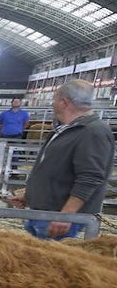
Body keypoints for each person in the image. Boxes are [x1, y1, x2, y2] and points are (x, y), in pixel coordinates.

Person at [9, 78, 115, 240]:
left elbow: (90, 177)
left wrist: (67, 215)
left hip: (59, 218)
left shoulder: (92, 131)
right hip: (45, 213)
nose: (52, 104)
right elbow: (55, 169)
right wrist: (31, 195)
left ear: (64, 102)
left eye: (54, 99)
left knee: (51, 262)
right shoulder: (66, 128)